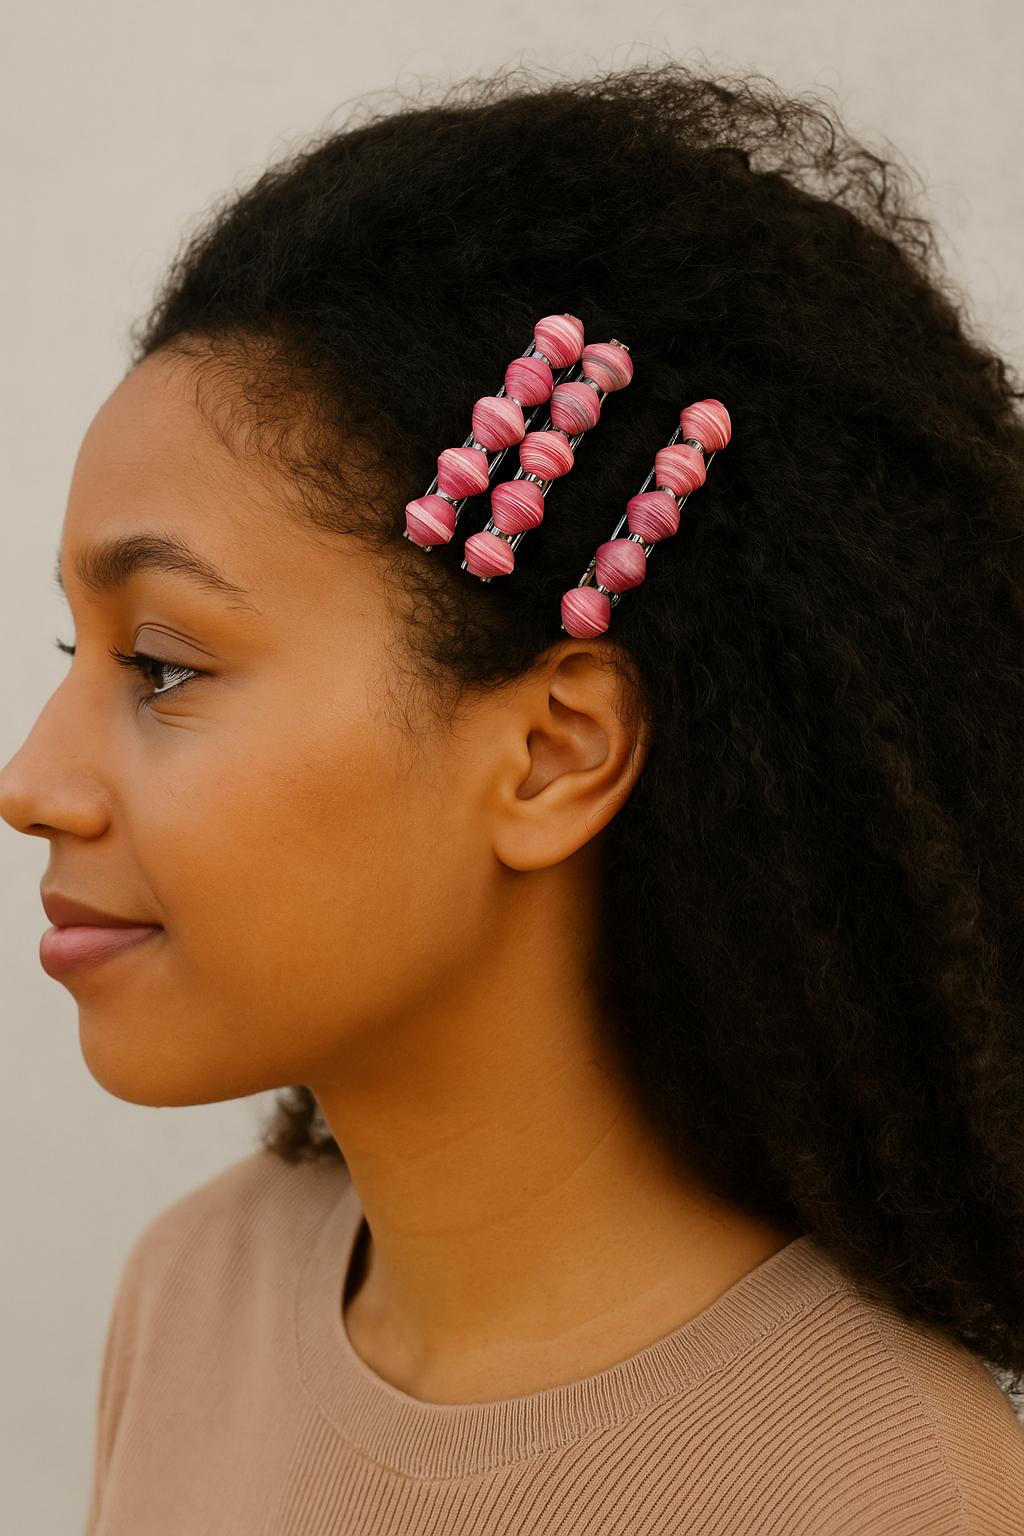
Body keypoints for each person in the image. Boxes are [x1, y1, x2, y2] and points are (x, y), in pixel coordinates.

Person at [2, 67, 1024, 1535]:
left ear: (552, 753)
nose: (30, 783)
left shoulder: (874, 1479)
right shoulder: (192, 1294)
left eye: (160, 665)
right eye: (71, 653)